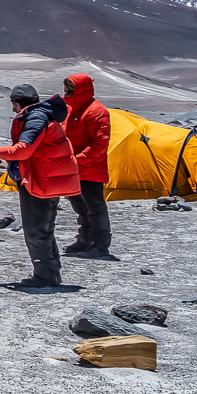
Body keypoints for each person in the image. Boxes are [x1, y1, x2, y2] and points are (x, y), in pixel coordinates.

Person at [0, 83, 81, 288]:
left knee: (35, 230)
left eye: (13, 105)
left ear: (16, 103)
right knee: (44, 228)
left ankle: (44, 276)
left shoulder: (35, 117)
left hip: (39, 180)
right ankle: (51, 273)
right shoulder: (44, 115)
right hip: (48, 178)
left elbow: (24, 150)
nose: (13, 109)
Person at [62, 73, 114, 258]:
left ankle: (100, 244)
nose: (66, 94)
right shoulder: (70, 109)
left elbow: (99, 144)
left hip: (90, 169)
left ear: (81, 90)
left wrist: (77, 160)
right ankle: (84, 240)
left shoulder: (97, 111)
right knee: (80, 208)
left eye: (70, 90)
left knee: (94, 207)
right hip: (72, 168)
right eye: (66, 90)